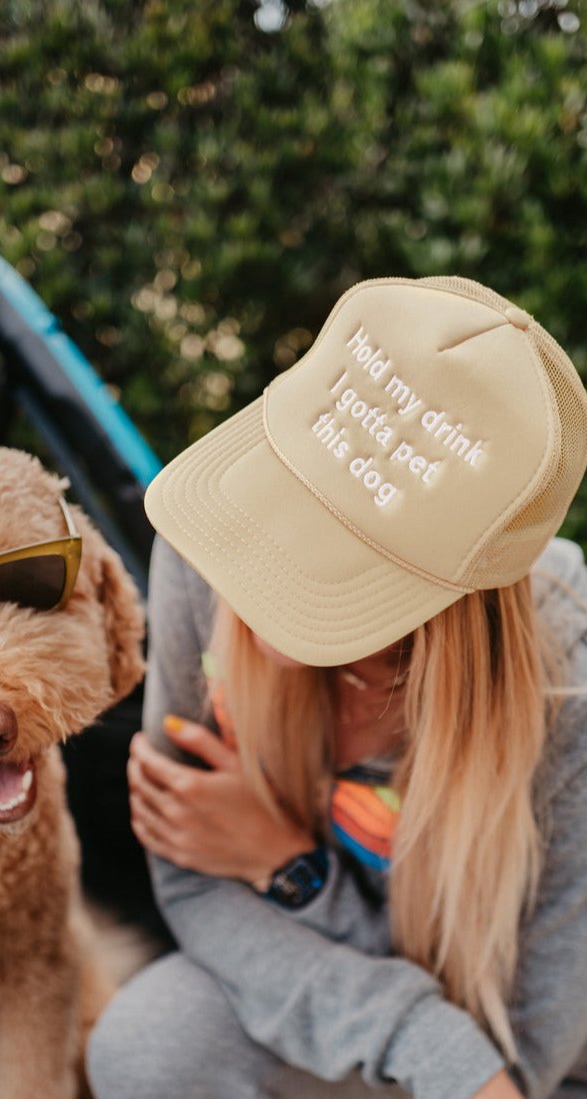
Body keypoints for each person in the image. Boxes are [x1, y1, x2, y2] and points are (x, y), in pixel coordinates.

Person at [87, 276, 587, 1099]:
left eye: (327, 544)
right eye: (283, 492)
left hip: (526, 1066)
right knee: (155, 1041)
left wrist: (291, 871)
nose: (251, 577)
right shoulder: (210, 543)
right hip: (382, 1025)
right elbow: (188, 873)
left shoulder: (567, 689)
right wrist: (401, 1020)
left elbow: (508, 1065)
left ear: (453, 597)